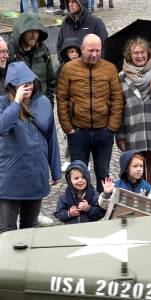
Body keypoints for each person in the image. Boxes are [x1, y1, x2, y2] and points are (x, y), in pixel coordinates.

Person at [56, 33, 123, 193]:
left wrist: (111, 127)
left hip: (103, 132)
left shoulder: (110, 68)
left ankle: (103, 208)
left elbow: (117, 99)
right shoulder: (69, 69)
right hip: (78, 132)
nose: (94, 54)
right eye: (91, 50)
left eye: (98, 51)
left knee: (103, 173)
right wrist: (68, 128)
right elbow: (62, 98)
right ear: (82, 49)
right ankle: (79, 210)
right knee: (78, 175)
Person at [0, 61, 61, 234]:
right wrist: (17, 102)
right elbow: (2, 127)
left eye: (30, 83)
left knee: (30, 228)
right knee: (6, 230)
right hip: (9, 179)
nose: (28, 87)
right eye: (23, 84)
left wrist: (55, 170)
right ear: (12, 85)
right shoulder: (3, 103)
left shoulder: (43, 103)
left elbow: (51, 137)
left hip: (36, 175)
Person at [116, 36, 151, 193]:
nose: (139, 56)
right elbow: (119, 108)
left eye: (143, 52)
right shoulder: (121, 77)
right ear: (130, 54)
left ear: (149, 53)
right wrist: (119, 135)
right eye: (135, 53)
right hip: (133, 133)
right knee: (135, 174)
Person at [10, 14, 56, 107]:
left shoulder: (43, 53)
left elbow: (50, 82)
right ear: (21, 33)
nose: (34, 35)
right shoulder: (10, 55)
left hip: (41, 106)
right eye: (30, 31)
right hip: (19, 109)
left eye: (37, 31)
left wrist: (49, 105)